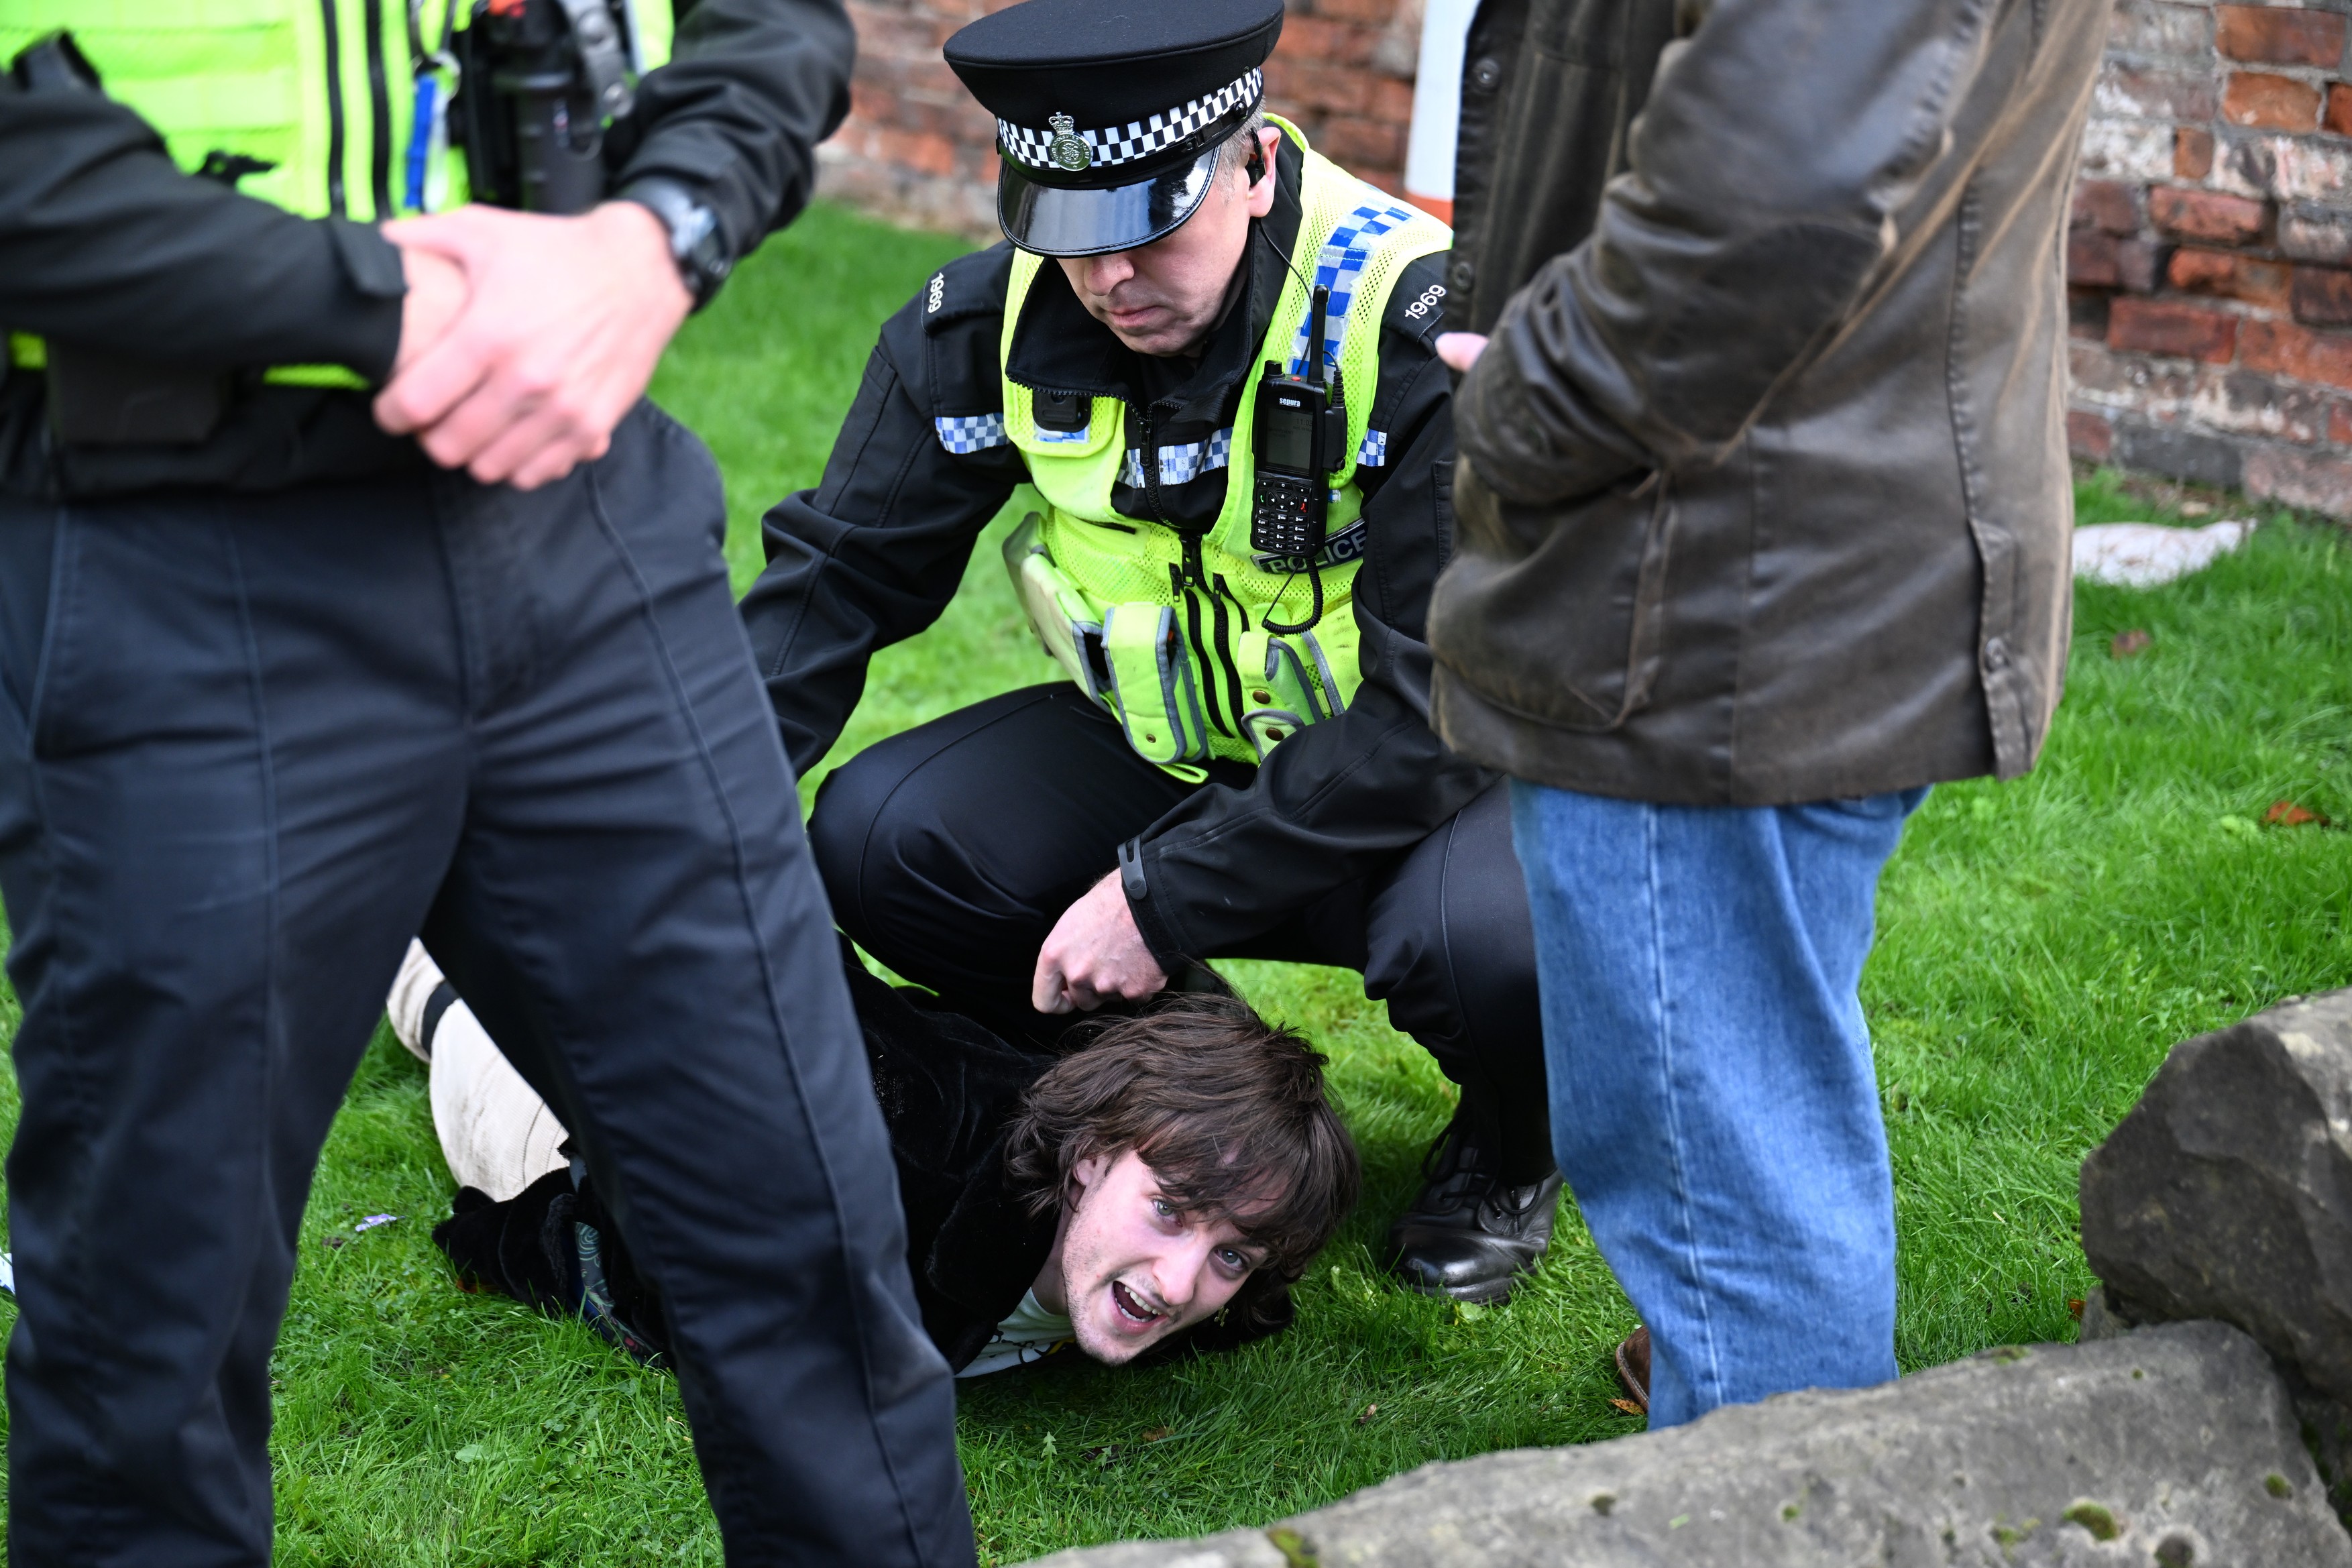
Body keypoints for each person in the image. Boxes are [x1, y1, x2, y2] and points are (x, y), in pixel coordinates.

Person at [0, 7, 974, 1563]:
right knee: (150, 1342)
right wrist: (401, 300)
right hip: (178, 557)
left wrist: (654, 237)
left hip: (579, 533)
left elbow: (769, 27)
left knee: (801, 1232)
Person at [739, 0, 1563, 1308]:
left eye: (1148, 230)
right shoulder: (979, 327)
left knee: (1498, 942)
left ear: (1254, 161)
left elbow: (1432, 708)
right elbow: (838, 576)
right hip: (1173, 753)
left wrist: (1162, 896)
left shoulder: (1414, 330)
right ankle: (1200, 1096)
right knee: (884, 836)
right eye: (1070, 239)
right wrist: (680, 815)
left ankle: (1512, 1144)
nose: (1107, 280)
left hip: (1419, 780)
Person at [1423, 0, 2107, 1424]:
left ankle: (1758, 1426)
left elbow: (1770, 196)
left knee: (1722, 1199)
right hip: (1772, 547)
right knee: (1746, 1100)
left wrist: (1530, 395)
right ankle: (1741, 1382)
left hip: (1717, 584)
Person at [390, 941, 1360, 1374]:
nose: (1184, 1279)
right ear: (1086, 1160)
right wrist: (507, 1234)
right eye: (1172, 1209)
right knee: (455, 992)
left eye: (1233, 1254)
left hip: (845, 1043)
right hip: (593, 1088)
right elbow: (623, 1250)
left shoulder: (1203, 1274)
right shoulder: (875, 1215)